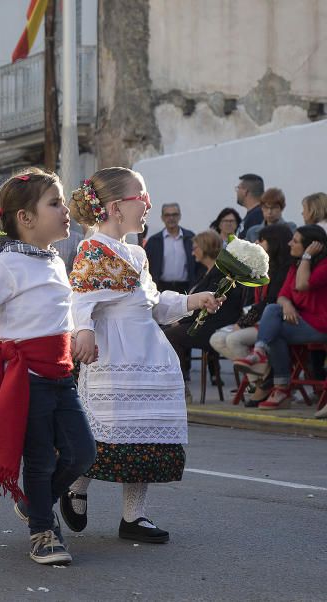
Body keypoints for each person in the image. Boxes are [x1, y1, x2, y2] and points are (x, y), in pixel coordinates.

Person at [66, 167, 221, 546]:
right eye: (142, 196)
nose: (148, 203)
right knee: (105, 431)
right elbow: (79, 298)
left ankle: (134, 515)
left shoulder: (135, 252)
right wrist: (83, 329)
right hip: (113, 354)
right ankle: (74, 485)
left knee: (145, 434)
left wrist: (190, 300)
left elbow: (151, 304)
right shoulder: (93, 248)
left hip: (147, 350)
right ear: (117, 207)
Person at [0, 168, 95, 566]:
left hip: (61, 375)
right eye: (55, 203)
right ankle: (42, 532)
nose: (65, 209)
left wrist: (79, 338)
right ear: (26, 218)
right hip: (28, 378)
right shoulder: (4, 264)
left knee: (83, 454)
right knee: (40, 459)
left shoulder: (54, 259)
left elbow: (59, 314)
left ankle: (39, 500)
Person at [234, 225, 327, 413]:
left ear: (310, 245)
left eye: (295, 241)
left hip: (320, 325)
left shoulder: (323, 266)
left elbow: (302, 285)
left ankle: (281, 387)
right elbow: (283, 296)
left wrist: (307, 257)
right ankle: (279, 385)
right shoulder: (295, 265)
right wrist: (287, 304)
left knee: (274, 324)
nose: (289, 243)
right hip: (300, 320)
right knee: (274, 319)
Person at [209, 224, 293, 406]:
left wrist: (244, 321)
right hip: (255, 319)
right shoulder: (264, 266)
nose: (256, 243)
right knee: (216, 339)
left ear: (273, 243)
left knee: (233, 340)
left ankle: (262, 384)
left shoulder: (284, 270)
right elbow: (252, 301)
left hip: (271, 323)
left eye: (261, 240)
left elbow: (269, 302)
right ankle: (262, 377)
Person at [163, 231, 245, 401]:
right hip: (202, 322)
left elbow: (209, 305)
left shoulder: (220, 272)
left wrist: (181, 320)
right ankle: (171, 385)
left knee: (170, 336)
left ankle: (181, 389)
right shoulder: (206, 271)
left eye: (195, 248)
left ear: (205, 248)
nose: (193, 252)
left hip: (214, 325)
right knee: (163, 332)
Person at [145, 202, 196, 293]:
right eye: (167, 215)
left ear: (180, 216)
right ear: (162, 218)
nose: (171, 218)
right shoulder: (154, 241)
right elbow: (146, 266)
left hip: (185, 288)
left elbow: (198, 264)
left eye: (174, 214)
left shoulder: (190, 238)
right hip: (161, 288)